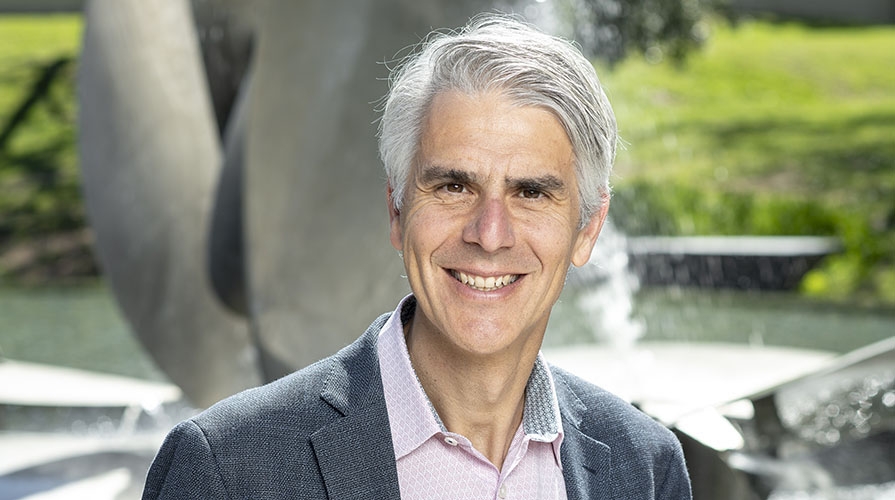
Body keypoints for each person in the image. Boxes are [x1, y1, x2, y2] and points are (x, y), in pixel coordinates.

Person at [142, 13, 692, 500]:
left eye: (530, 192)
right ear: (397, 212)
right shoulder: (227, 471)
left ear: (588, 229)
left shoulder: (643, 467)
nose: (490, 233)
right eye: (453, 186)